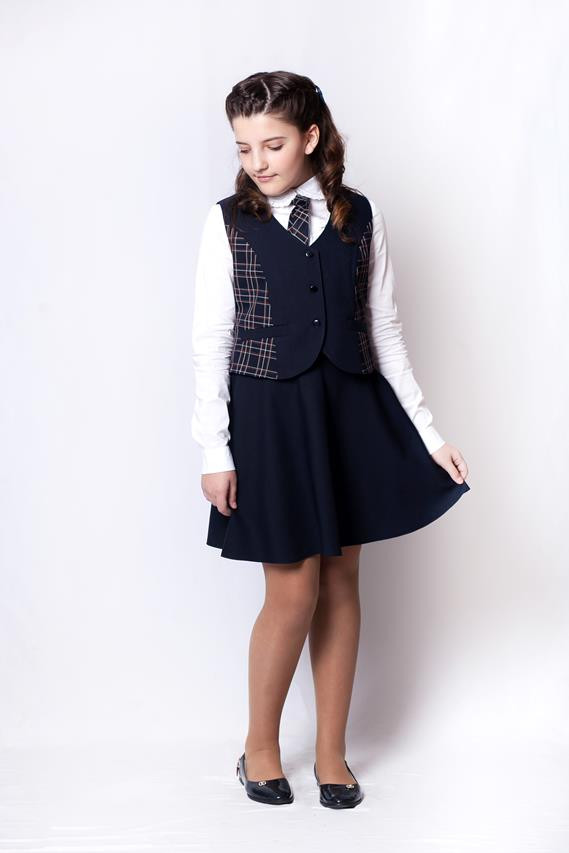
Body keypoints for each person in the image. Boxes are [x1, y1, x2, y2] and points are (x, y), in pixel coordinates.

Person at [191, 70, 471, 809]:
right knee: (293, 589)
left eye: (273, 144)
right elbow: (211, 340)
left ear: (311, 137)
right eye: (244, 147)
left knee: (342, 583)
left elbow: (384, 329)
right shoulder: (228, 223)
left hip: (349, 410)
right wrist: (214, 449)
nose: (257, 161)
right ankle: (259, 746)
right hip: (270, 417)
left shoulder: (359, 215)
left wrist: (428, 433)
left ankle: (331, 753)